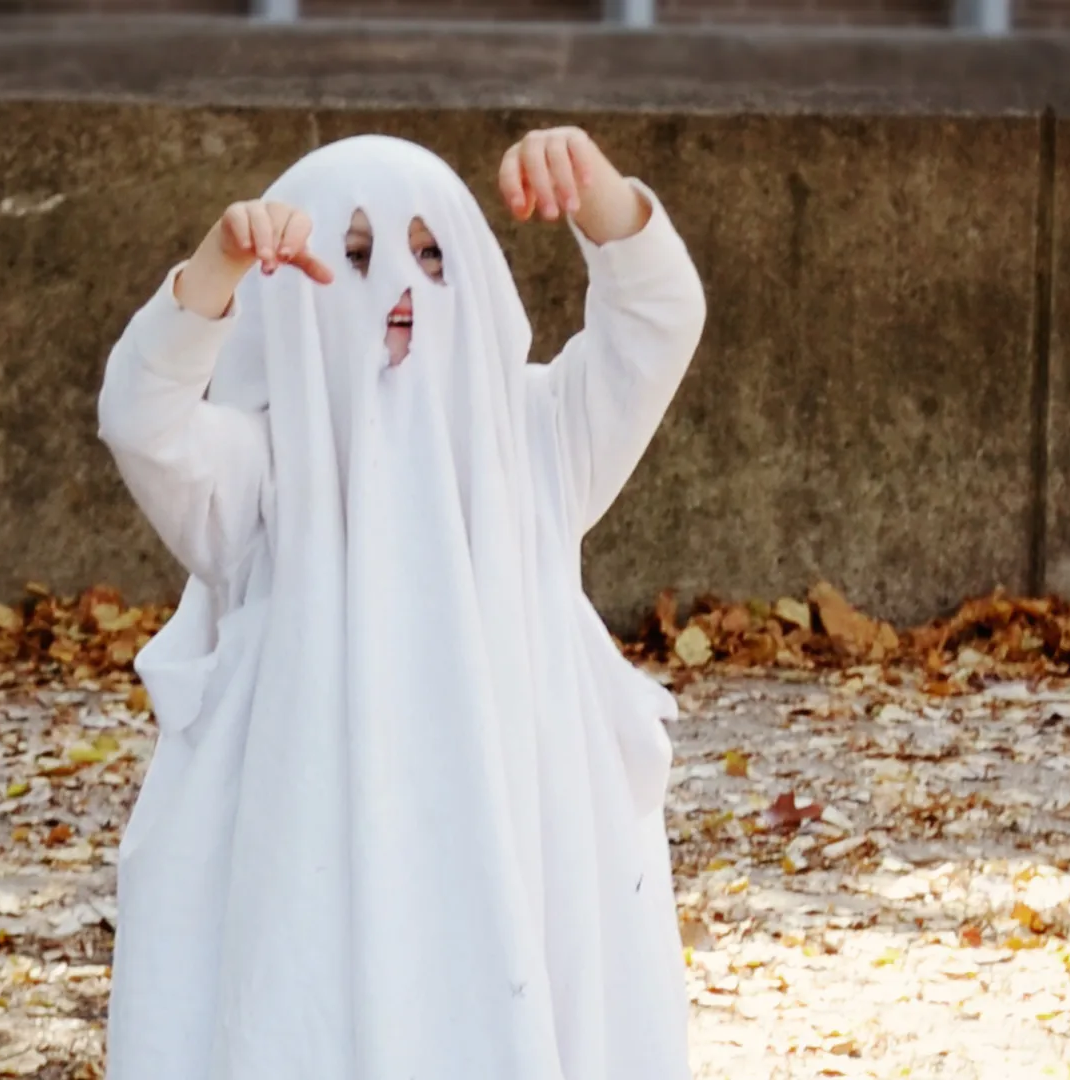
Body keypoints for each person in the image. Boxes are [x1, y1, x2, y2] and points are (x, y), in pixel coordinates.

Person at [95, 127, 707, 1080]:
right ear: (288, 292)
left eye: (432, 255)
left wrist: (600, 198)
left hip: (520, 857)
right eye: (356, 256)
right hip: (314, 892)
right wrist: (217, 267)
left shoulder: (538, 444)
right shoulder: (260, 480)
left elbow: (655, 323)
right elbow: (142, 419)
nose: (399, 286)